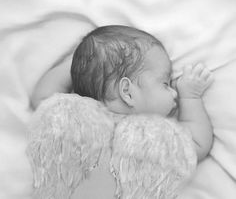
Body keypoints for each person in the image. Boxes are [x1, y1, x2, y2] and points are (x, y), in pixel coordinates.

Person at [31, 25, 214, 162]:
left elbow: (42, 98)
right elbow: (197, 144)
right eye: (165, 83)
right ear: (127, 92)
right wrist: (190, 97)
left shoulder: (76, 117)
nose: (174, 92)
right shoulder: (147, 135)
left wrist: (77, 64)